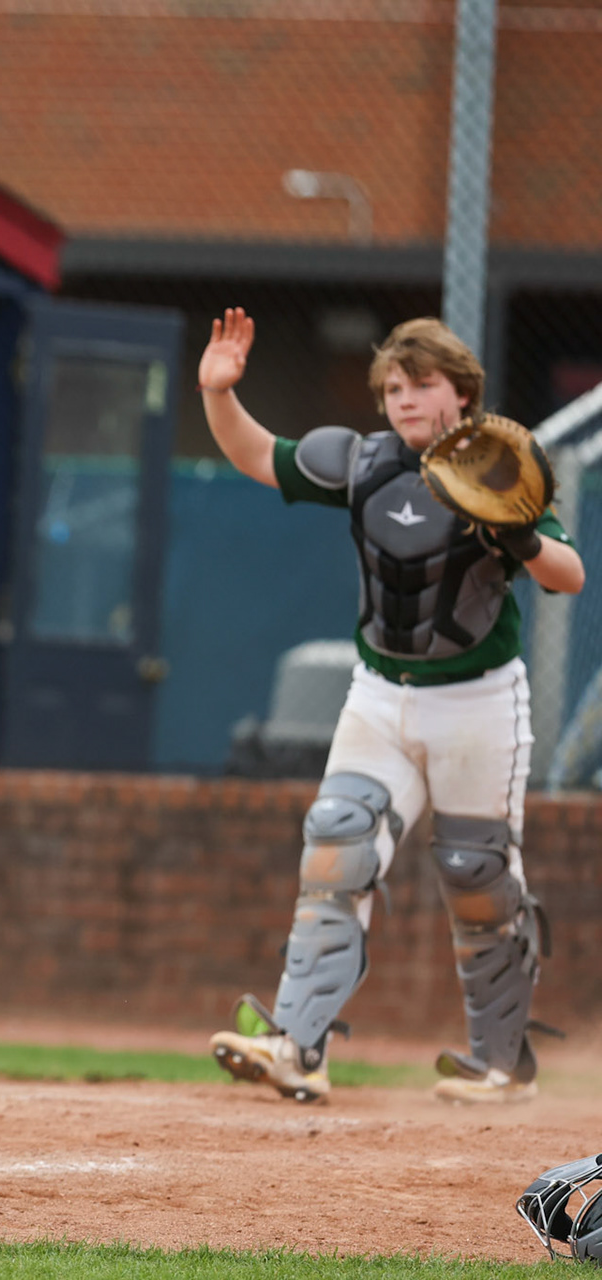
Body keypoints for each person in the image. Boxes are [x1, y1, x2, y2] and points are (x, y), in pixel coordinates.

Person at [199, 309, 585, 1106]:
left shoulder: (498, 465)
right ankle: (297, 1046)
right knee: (336, 848)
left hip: (479, 702)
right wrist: (218, 393)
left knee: (478, 877)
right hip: (379, 695)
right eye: (395, 387)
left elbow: (568, 574)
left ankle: (501, 1064)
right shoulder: (361, 461)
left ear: (463, 393)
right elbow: (254, 455)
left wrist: (519, 538)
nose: (406, 399)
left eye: (424, 384)